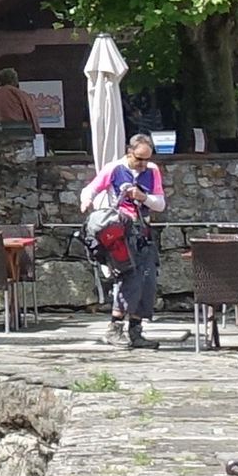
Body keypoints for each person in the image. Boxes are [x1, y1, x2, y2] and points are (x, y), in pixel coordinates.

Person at [83, 136, 166, 341]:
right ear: (129, 152)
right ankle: (115, 328)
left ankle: (136, 331)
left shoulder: (153, 171)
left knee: (147, 279)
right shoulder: (114, 169)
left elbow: (160, 204)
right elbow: (90, 189)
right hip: (121, 233)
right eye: (139, 159)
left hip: (143, 231)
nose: (143, 164)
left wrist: (143, 197)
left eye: (147, 159)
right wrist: (87, 202)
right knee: (129, 277)